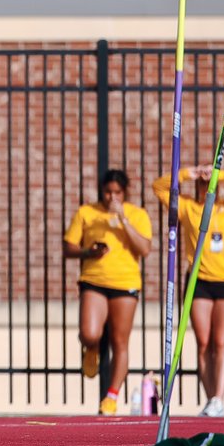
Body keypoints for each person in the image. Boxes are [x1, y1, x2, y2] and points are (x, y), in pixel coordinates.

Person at [153, 164, 224, 417]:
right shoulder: (189, 208)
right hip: (199, 282)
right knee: (204, 343)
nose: (208, 188)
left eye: (212, 185)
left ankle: (219, 398)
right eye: (203, 184)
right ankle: (210, 400)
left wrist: (219, 173)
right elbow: (159, 187)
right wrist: (191, 173)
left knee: (221, 342)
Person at [63, 168, 152, 416]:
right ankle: (91, 347)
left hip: (125, 283)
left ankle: (111, 397)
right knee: (89, 333)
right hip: (95, 280)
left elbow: (144, 248)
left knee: (120, 342)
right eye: (108, 192)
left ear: (125, 192)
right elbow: (68, 247)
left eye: (117, 192)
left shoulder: (137, 214)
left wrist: (123, 219)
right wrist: (89, 252)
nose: (112, 197)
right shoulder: (87, 212)